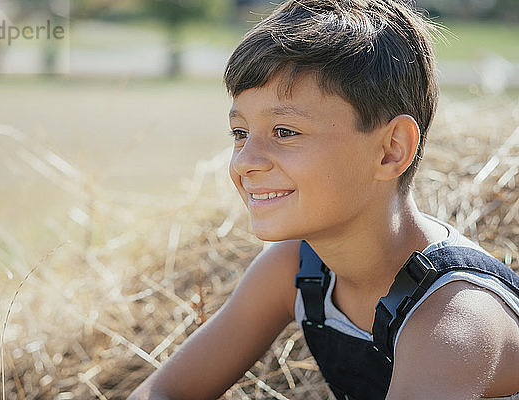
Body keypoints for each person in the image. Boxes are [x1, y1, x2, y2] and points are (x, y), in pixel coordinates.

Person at [128, 0, 519, 399]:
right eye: (240, 132)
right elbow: (163, 391)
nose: (245, 162)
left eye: (284, 131)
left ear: (391, 150)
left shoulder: (455, 319)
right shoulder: (297, 266)